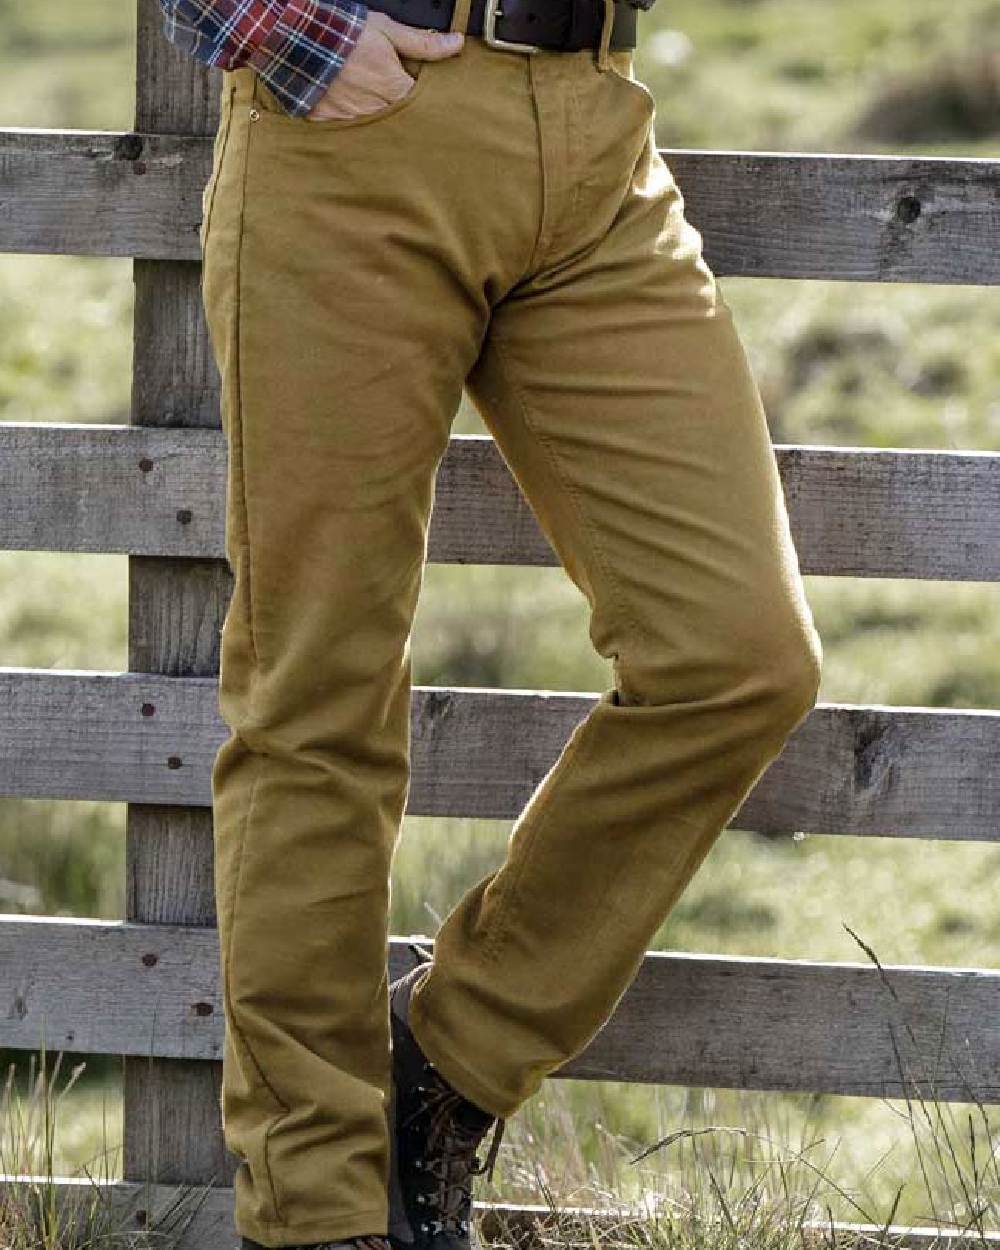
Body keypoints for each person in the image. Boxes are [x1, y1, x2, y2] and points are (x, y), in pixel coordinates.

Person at [158, 0, 824, 1247]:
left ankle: (453, 1055)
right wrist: (286, 29)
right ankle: (316, 1210)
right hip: (356, 133)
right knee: (319, 696)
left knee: (739, 656)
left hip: (596, 128)